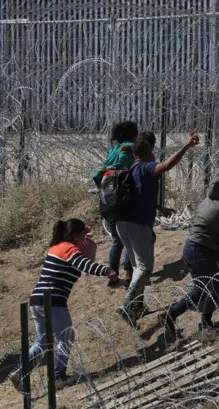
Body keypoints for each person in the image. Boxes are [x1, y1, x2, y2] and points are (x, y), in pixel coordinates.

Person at [8, 219, 117, 391]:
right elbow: (85, 265)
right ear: (74, 236)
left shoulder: (56, 248)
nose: (83, 241)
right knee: (67, 337)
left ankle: (19, 372)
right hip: (53, 300)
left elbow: (82, 258)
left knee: (42, 343)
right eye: (81, 237)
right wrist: (107, 271)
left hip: (36, 300)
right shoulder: (68, 248)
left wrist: (86, 237)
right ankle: (58, 377)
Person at [116, 132, 200, 327]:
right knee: (145, 269)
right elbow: (167, 165)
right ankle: (127, 305)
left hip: (122, 224)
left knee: (138, 268)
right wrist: (187, 146)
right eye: (152, 152)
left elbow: (139, 196)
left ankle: (136, 309)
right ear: (146, 152)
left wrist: (160, 208)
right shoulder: (146, 167)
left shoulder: (132, 170)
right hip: (138, 224)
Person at [159, 176, 219, 341]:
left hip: (192, 248)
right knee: (211, 287)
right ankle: (194, 319)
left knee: (206, 288)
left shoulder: (207, 201)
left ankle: (182, 316)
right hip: (200, 251)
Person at [93, 121, 138, 286]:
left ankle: (112, 274)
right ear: (134, 134)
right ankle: (128, 273)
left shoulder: (114, 148)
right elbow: (130, 168)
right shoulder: (128, 147)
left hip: (108, 198)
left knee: (117, 240)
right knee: (128, 238)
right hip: (123, 198)